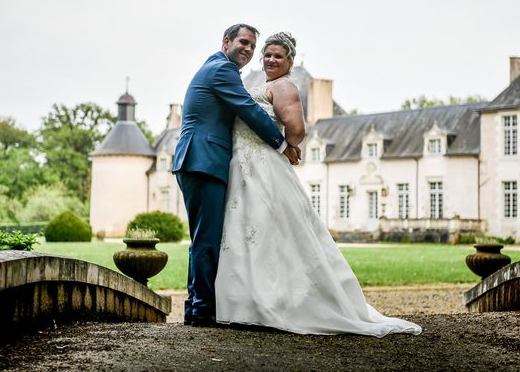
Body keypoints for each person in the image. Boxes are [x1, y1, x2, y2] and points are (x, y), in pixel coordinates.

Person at [214, 32, 422, 336]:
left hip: (263, 166)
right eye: (267, 55)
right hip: (242, 166)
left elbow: (297, 129)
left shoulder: (284, 86)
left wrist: (283, 145)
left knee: (267, 231)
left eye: (278, 56)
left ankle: (273, 304)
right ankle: (246, 305)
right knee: (244, 232)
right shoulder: (262, 85)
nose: (271, 60)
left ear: (290, 61)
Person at [172, 24, 300, 327]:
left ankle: (196, 307)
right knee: (207, 238)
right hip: (204, 159)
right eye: (244, 42)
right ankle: (202, 309)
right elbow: (248, 110)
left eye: (252, 46)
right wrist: (282, 144)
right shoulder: (221, 70)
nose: (248, 49)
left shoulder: (215, 66)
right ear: (226, 41)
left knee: (202, 237)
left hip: (199, 159)